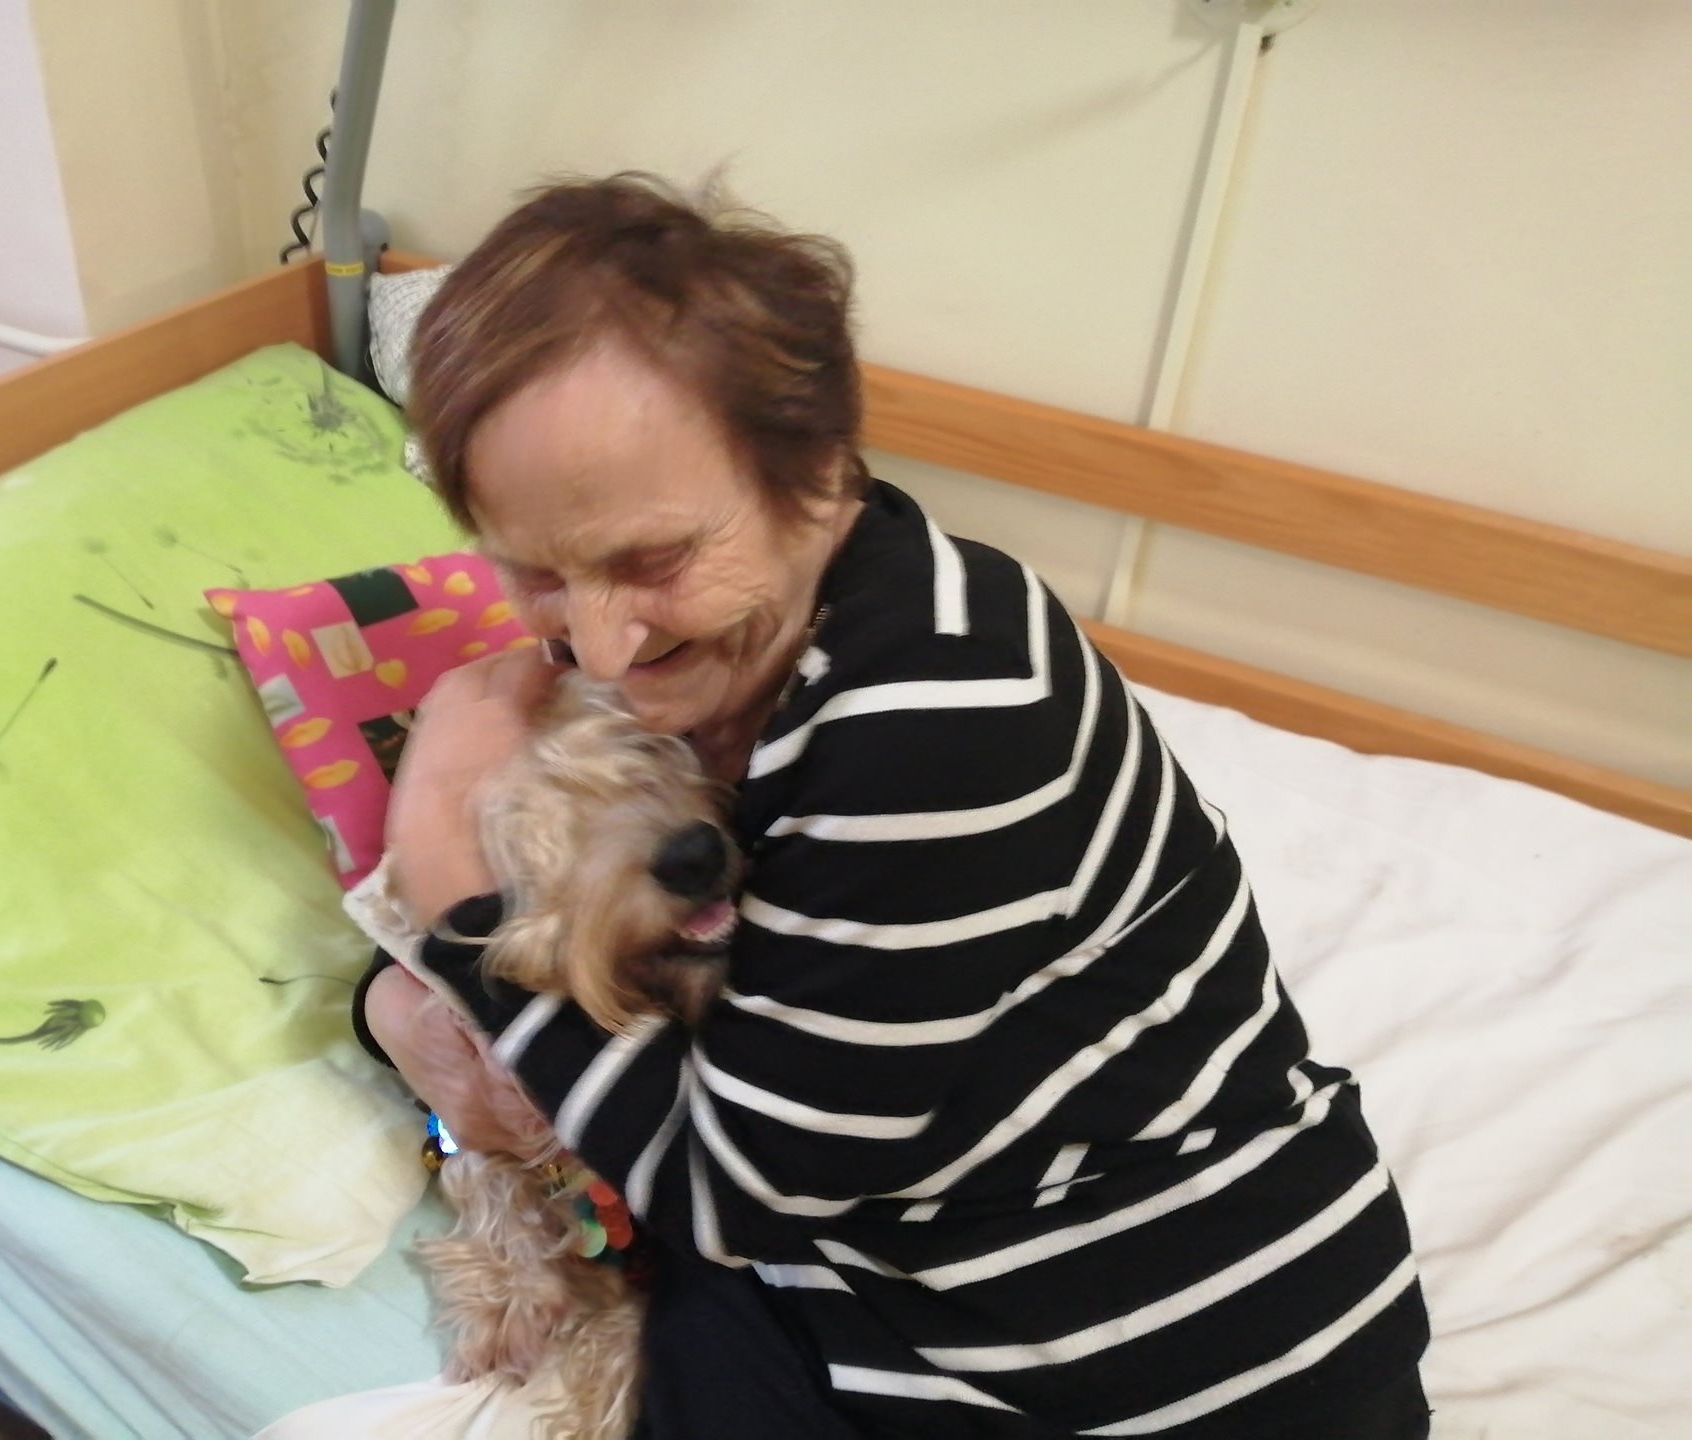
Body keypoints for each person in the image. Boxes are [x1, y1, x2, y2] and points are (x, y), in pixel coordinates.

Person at [353, 173, 1431, 1439]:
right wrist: (391, 1007)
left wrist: (453, 890)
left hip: (1170, 1350)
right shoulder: (731, 660)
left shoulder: (942, 707)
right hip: (903, 1239)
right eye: (536, 573)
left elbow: (731, 1192)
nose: (597, 645)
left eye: (655, 560)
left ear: (816, 473)